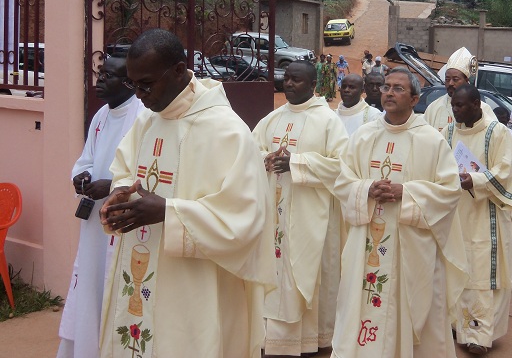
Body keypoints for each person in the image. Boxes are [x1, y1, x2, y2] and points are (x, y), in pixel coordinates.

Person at [99, 29, 275, 358]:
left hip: (196, 286)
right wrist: (119, 196)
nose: (139, 95)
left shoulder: (228, 132)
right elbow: (124, 172)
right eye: (133, 85)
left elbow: (246, 219)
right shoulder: (147, 123)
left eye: (146, 84)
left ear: (179, 70)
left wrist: (169, 211)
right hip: (144, 262)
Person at [331, 67, 467, 357]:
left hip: (411, 246)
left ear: (415, 99)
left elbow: (450, 190)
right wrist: (366, 189)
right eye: (386, 87)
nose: (389, 93)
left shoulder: (431, 140)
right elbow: (342, 180)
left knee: (411, 310)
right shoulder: (364, 136)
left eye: (398, 88)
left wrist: (406, 192)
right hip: (367, 240)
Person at [252, 61, 349, 356]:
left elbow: (343, 167)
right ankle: (272, 340)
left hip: (312, 218)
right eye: (287, 78)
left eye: (296, 80)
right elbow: (248, 151)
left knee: (308, 274)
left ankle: (311, 340)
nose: (289, 84)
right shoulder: (272, 118)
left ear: (312, 84)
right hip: (274, 214)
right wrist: (264, 159)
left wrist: (297, 162)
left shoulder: (329, 121)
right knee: (274, 273)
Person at [57, 53, 144, 358]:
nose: (100, 81)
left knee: (113, 287)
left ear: (130, 83)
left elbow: (144, 173)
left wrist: (111, 186)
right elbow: (87, 160)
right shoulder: (101, 116)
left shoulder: (142, 117)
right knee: (90, 286)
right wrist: (81, 178)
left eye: (108, 76)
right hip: (94, 222)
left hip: (121, 223)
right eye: (100, 74)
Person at [447, 84, 512, 355]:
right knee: (458, 268)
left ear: (477, 104)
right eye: (453, 105)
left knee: (481, 274)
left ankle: (479, 334)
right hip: (457, 215)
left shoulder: (496, 132)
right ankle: (458, 325)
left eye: (461, 106)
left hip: (486, 215)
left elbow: (507, 170)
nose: (455, 110)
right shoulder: (449, 131)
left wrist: (474, 180)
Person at [424, 47, 495, 132]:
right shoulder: (434, 108)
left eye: (455, 79)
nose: (450, 83)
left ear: (466, 80)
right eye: (447, 79)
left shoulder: (483, 109)